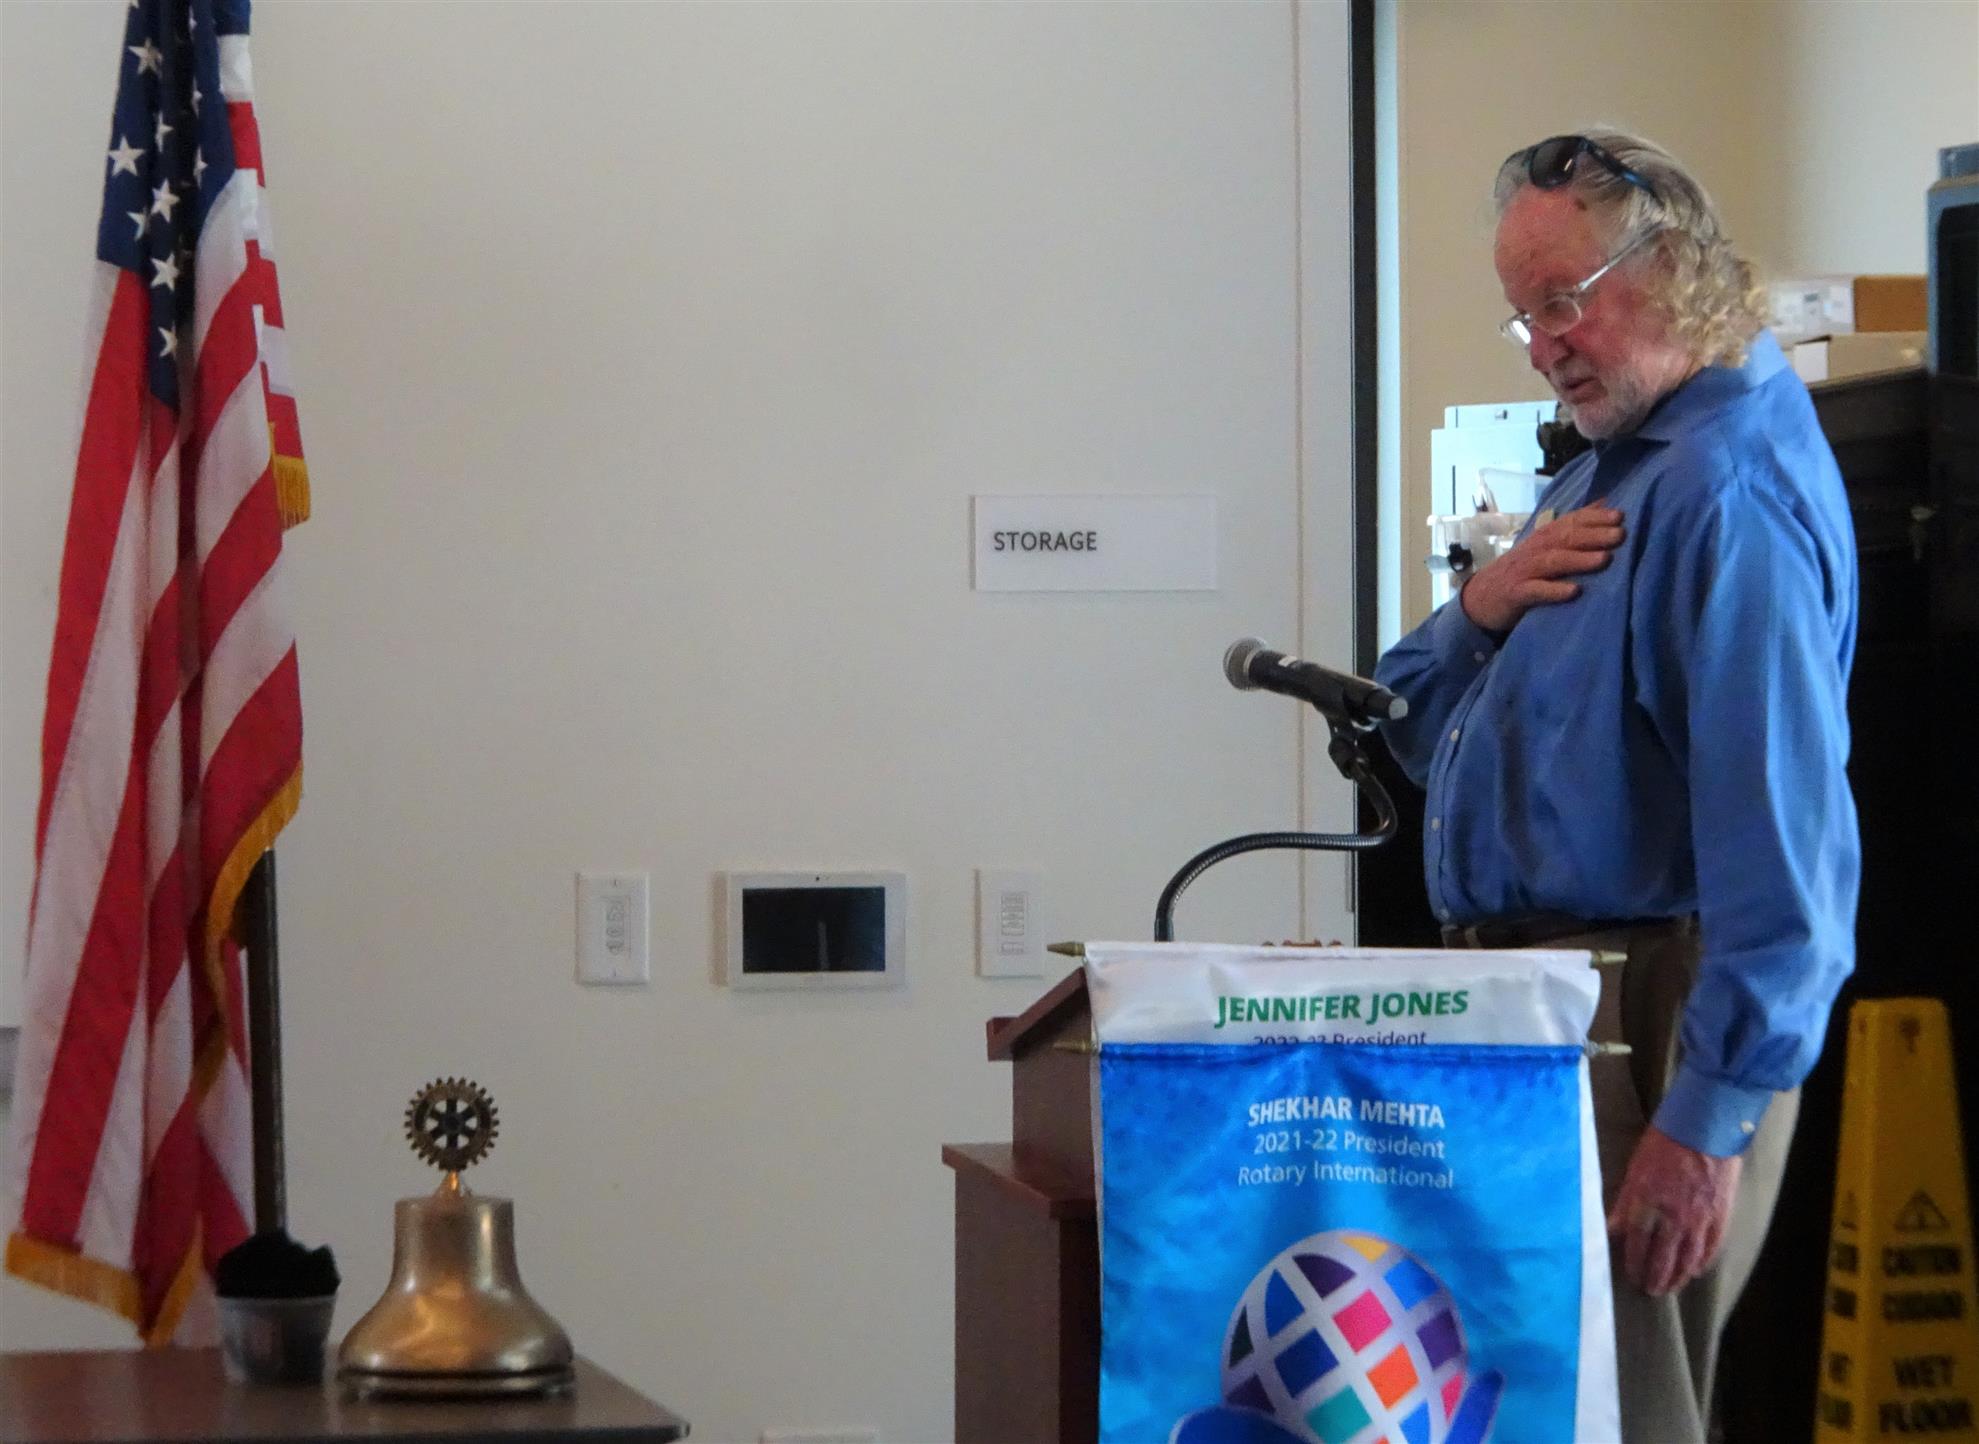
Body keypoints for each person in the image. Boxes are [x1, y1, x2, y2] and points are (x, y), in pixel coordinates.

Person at [1374, 129, 1859, 1441]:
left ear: (1673, 266)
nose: (1541, 346)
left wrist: (1704, 1126)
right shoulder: (1609, 467)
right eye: (1522, 315)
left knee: (1629, 1414)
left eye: (1561, 301)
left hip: (1652, 1017)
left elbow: (1789, 862)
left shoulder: (1726, 494)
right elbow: (1402, 727)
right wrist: (1474, 612)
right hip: (1553, 1012)